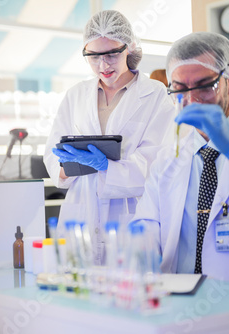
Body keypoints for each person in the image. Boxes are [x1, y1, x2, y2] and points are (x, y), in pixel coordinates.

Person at [131, 32, 229, 285]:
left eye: (204, 86)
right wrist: (137, 254)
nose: (192, 100)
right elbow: (147, 223)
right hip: (179, 302)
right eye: (180, 89)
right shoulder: (167, 158)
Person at [44, 10, 174, 265]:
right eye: (93, 56)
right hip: (81, 211)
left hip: (130, 214)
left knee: (128, 290)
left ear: (129, 48)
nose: (103, 65)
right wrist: (66, 166)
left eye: (112, 54)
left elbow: (159, 161)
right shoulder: (76, 95)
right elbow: (51, 152)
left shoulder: (156, 95)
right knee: (77, 293)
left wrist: (107, 167)